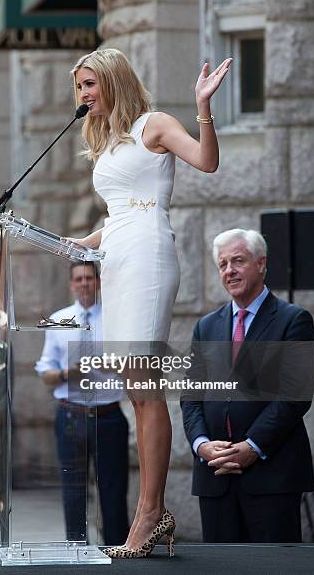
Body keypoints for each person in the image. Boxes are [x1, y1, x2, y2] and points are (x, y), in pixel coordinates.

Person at [69, 48, 232, 557]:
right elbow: (118, 216)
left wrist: (202, 108)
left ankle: (149, 514)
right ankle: (153, 513)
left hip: (148, 256)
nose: (83, 95)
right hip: (116, 258)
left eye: (90, 85)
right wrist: (76, 245)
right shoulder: (106, 140)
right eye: (79, 88)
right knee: (135, 391)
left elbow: (207, 162)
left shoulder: (154, 124)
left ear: (113, 80)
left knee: (146, 386)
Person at [182, 229, 314, 543]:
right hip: (215, 474)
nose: (229, 270)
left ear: (261, 263)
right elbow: (191, 396)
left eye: (238, 261)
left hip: (271, 476)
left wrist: (252, 447)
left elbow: (294, 397)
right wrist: (202, 445)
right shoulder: (206, 326)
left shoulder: (293, 320)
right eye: (223, 264)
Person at [35, 261, 129, 545]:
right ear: (71, 284)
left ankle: (118, 551)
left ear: (98, 283)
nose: (84, 283)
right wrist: (67, 373)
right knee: (72, 489)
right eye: (79, 279)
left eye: (89, 278)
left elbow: (135, 362)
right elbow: (44, 372)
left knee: (113, 491)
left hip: (109, 416)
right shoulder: (57, 319)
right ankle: (75, 550)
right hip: (71, 416)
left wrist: (113, 363)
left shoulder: (116, 318)